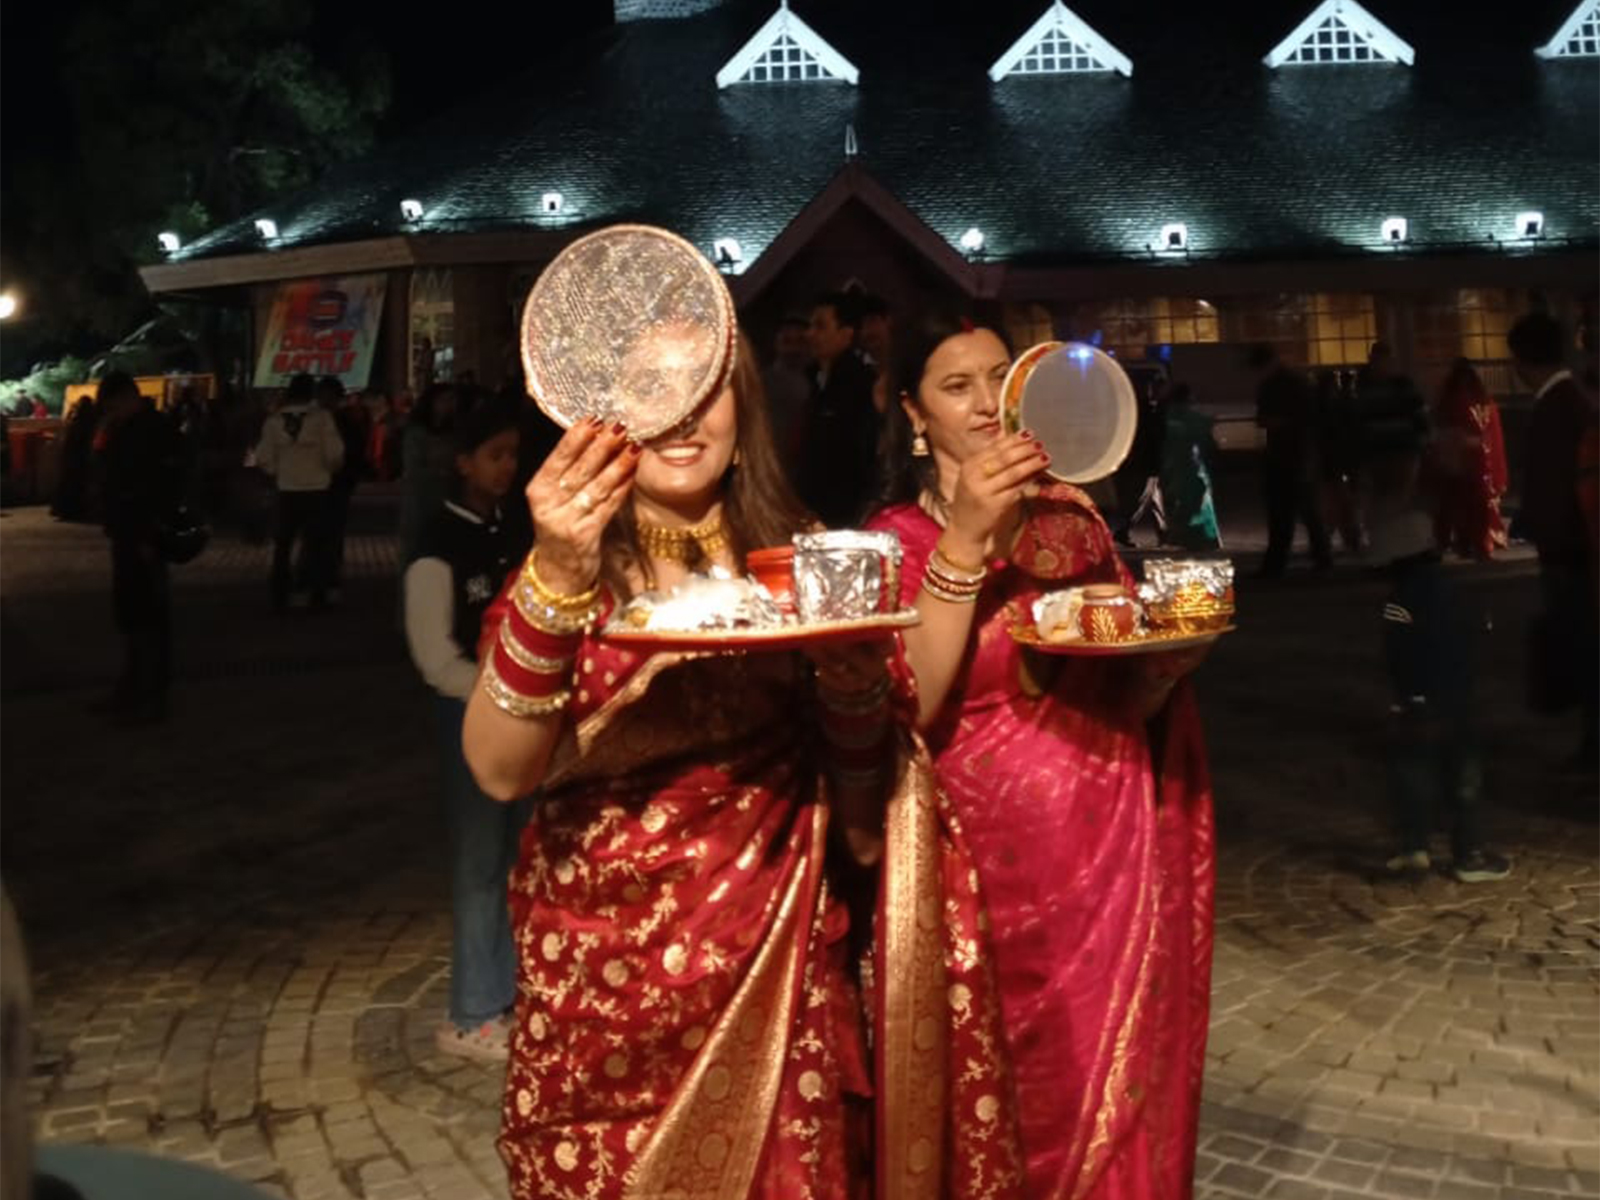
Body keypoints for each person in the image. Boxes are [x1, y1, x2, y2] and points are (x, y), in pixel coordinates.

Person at [462, 330, 1022, 1198]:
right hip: (604, 991)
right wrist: (556, 571)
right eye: (652, 390)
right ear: (603, 416)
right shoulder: (573, 566)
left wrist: (853, 692)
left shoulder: (797, 556)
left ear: (745, 403)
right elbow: (500, 771)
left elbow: (868, 779)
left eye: (707, 389)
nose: (683, 418)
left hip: (779, 955)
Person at [866, 314, 1215, 1198]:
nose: (989, 404)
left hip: (1113, 857)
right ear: (914, 414)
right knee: (1007, 1101)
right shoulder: (894, 545)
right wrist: (967, 539)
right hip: (978, 879)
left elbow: (1123, 683)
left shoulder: (1072, 521)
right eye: (957, 387)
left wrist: (1172, 662)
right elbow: (908, 701)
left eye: (999, 376)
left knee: (1119, 1093)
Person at [404, 399, 533, 1061]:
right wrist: (490, 694)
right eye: (494, 455)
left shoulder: (510, 529)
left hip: (519, 713)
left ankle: (512, 991)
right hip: (469, 712)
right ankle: (474, 1011)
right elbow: (433, 655)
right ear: (462, 464)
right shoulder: (437, 543)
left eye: (512, 455)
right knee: (479, 863)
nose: (506, 468)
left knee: (519, 857)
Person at [1507, 312, 1600, 770]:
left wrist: (1538, 528)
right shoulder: (1574, 401)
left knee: (1583, 647)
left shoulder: (1555, 408)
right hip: (1578, 545)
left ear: (1521, 360)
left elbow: (1554, 486)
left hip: (1570, 551)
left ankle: (1592, 743)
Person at [96, 372, 185, 724]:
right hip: (126, 532)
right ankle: (133, 687)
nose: (111, 412)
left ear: (127, 397)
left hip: (143, 534)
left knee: (148, 615)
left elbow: (159, 487)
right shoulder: (125, 428)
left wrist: (149, 535)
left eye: (113, 405)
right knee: (131, 614)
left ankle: (152, 696)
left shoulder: (153, 430)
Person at [253, 373, 344, 612]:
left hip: (287, 489)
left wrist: (278, 471)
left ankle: (280, 593)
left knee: (283, 546)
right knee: (316, 544)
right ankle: (316, 593)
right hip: (317, 488)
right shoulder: (322, 419)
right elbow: (334, 454)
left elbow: (263, 457)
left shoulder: (274, 421)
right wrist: (328, 469)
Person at [797, 291, 880, 527]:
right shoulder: (815, 378)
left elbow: (861, 456)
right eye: (810, 326)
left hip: (846, 512)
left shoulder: (862, 384)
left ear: (846, 334)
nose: (809, 334)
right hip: (814, 507)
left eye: (820, 326)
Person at [1253, 344, 1332, 577]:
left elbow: (1268, 419)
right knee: (1305, 510)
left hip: (1286, 454)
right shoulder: (1296, 383)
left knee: (1284, 512)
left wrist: (1275, 422)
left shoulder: (1275, 386)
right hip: (1299, 454)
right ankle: (1320, 557)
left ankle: (1278, 563)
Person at [1426, 359, 1508, 561]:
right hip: (1477, 461)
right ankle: (1478, 544)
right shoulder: (1484, 402)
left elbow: (1440, 431)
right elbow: (1492, 436)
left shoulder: (1449, 402)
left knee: (1453, 504)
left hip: (1456, 462)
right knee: (1476, 505)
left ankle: (1457, 542)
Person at [398, 384, 459, 566]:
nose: (450, 405)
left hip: (447, 501)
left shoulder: (455, 432)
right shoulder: (417, 433)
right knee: (416, 554)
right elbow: (414, 468)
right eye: (444, 400)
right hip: (420, 501)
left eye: (452, 400)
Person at [1160, 381, 1222, 550]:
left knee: (1177, 501)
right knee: (1196, 501)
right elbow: (1209, 445)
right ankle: (1198, 537)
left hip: (1174, 466)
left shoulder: (1168, 418)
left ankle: (1179, 536)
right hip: (1192, 466)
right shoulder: (1196, 419)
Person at [761, 313, 810, 474]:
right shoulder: (764, 382)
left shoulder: (819, 379)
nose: (793, 349)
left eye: (800, 342)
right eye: (787, 341)